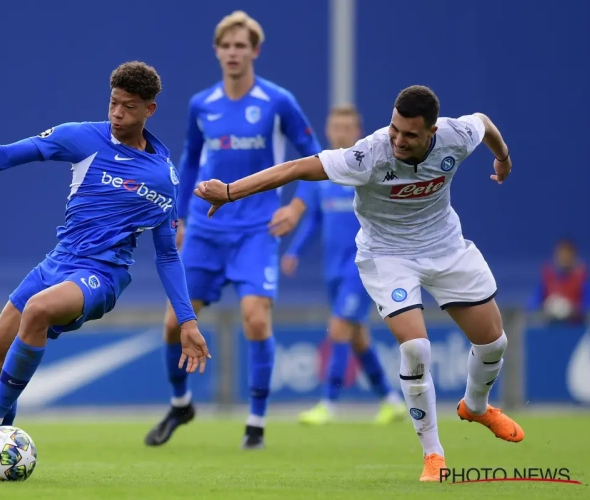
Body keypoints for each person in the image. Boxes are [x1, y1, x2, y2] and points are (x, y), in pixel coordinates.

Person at [193, 85, 523, 482]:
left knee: (493, 343)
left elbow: (484, 123)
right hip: (388, 256)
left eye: (410, 135)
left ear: (433, 131)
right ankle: (433, 454)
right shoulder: (367, 154)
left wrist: (502, 159)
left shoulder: (456, 134)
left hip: (446, 248)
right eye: (395, 129)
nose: (398, 140)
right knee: (416, 348)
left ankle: (476, 406)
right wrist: (231, 192)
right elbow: (297, 168)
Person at [0, 61, 211, 478]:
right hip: (58, 262)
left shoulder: (161, 177)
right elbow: (10, 154)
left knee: (36, 310)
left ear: (150, 110)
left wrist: (187, 320)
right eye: (113, 103)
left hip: (102, 276)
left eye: (128, 106)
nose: (117, 113)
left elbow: (166, 255)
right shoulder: (82, 137)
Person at [144, 11, 321, 450]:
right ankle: (181, 403)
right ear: (217, 51)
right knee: (172, 324)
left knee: (256, 320)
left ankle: (256, 425)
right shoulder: (202, 104)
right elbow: (188, 163)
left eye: (242, 45)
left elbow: (316, 158)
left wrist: (298, 205)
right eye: (226, 45)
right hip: (206, 230)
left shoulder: (278, 101)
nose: (233, 52)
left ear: (255, 51)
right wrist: (177, 217)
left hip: (257, 231)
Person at [278, 105, 404, 426]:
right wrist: (294, 252)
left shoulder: (368, 170)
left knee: (339, 328)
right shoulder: (324, 173)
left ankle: (328, 404)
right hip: (333, 269)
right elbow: (314, 220)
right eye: (337, 126)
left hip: (362, 266)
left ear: (358, 130)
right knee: (357, 336)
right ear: (329, 129)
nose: (342, 132)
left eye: (349, 126)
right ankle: (390, 399)